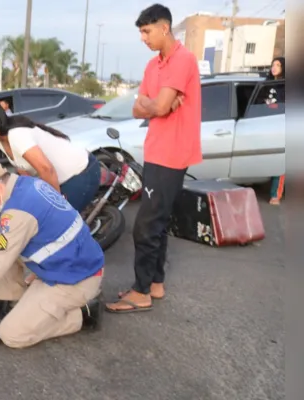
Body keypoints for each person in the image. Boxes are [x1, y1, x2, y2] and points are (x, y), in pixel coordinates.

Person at [0, 161, 104, 349]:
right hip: (75, 263)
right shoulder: (29, 184)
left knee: (11, 334)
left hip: (76, 280)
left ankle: (84, 314)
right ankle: (17, 303)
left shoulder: (17, 214)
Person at [105, 4, 201, 313]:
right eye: (141, 32)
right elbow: (140, 109)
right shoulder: (153, 66)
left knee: (145, 224)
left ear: (164, 28)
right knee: (156, 221)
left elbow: (157, 109)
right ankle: (155, 284)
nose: (143, 38)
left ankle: (141, 291)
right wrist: (156, 103)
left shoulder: (182, 60)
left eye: (147, 31)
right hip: (157, 149)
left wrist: (157, 105)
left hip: (173, 153)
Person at [0, 101, 101, 212]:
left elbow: (46, 169)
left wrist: (54, 204)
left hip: (81, 173)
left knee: (59, 222)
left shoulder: (17, 135)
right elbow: (22, 170)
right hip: (59, 179)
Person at [265, 57, 285, 205]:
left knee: (279, 162)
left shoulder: (284, 86)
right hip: (262, 125)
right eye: (273, 64)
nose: (274, 67)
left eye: (278, 65)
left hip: (279, 127)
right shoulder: (266, 84)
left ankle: (275, 195)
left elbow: (281, 107)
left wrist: (270, 107)